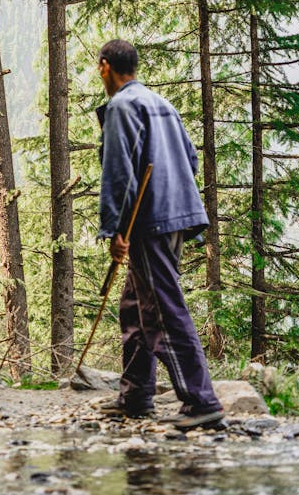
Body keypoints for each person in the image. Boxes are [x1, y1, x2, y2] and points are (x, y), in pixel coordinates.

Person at [94, 39, 224, 431]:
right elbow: (191, 159)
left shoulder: (121, 106)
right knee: (135, 305)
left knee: (162, 310)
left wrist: (117, 230)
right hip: (176, 215)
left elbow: (119, 172)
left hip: (148, 221)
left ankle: (201, 401)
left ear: (105, 66)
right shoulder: (161, 103)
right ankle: (136, 396)